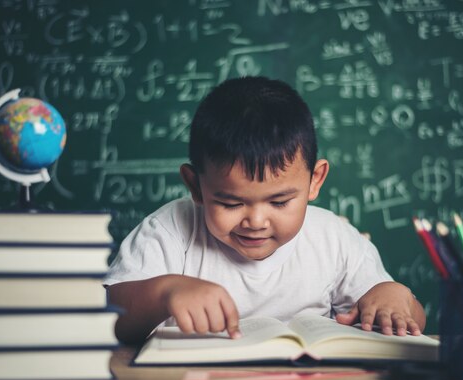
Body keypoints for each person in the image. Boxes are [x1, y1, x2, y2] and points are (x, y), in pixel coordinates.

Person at [104, 76, 426, 344]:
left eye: (279, 202)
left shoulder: (334, 239)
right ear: (195, 186)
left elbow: (413, 321)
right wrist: (165, 292)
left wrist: (395, 297)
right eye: (231, 203)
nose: (256, 221)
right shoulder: (168, 231)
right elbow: (108, 317)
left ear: (315, 181)